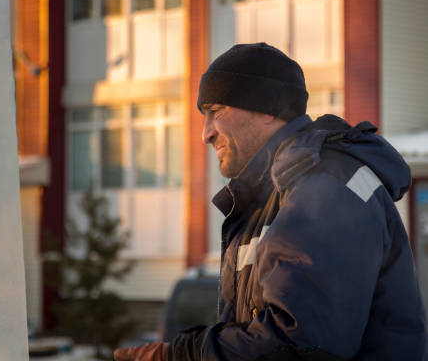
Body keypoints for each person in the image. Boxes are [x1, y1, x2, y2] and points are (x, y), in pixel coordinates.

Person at [114, 43, 427, 360]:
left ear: (267, 109)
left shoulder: (325, 187)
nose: (205, 134)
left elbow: (300, 341)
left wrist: (182, 355)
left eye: (216, 111)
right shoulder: (270, 199)